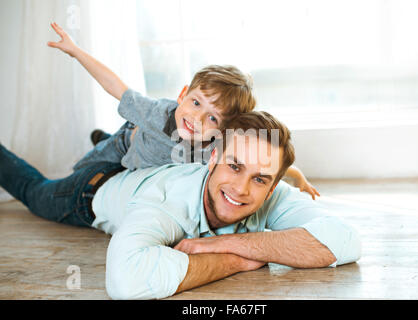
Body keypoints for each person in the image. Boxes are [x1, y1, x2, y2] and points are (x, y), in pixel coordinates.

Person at [0, 111, 361, 300]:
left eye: (260, 178)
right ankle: (105, 144)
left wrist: (219, 245)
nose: (241, 188)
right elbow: (125, 282)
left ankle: (108, 139)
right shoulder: (166, 202)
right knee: (33, 190)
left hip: (146, 169)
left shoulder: (271, 192)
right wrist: (239, 260)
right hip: (89, 191)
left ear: (273, 184)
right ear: (214, 157)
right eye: (234, 166)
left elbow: (345, 242)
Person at [47, 22, 320, 199]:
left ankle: (101, 135)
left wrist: (299, 178)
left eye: (212, 117)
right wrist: (75, 51)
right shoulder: (156, 112)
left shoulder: (219, 148)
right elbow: (115, 85)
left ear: (223, 129)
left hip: (142, 164)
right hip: (128, 141)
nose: (197, 119)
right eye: (196, 103)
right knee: (79, 172)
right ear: (182, 95)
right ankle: (104, 138)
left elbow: (265, 165)